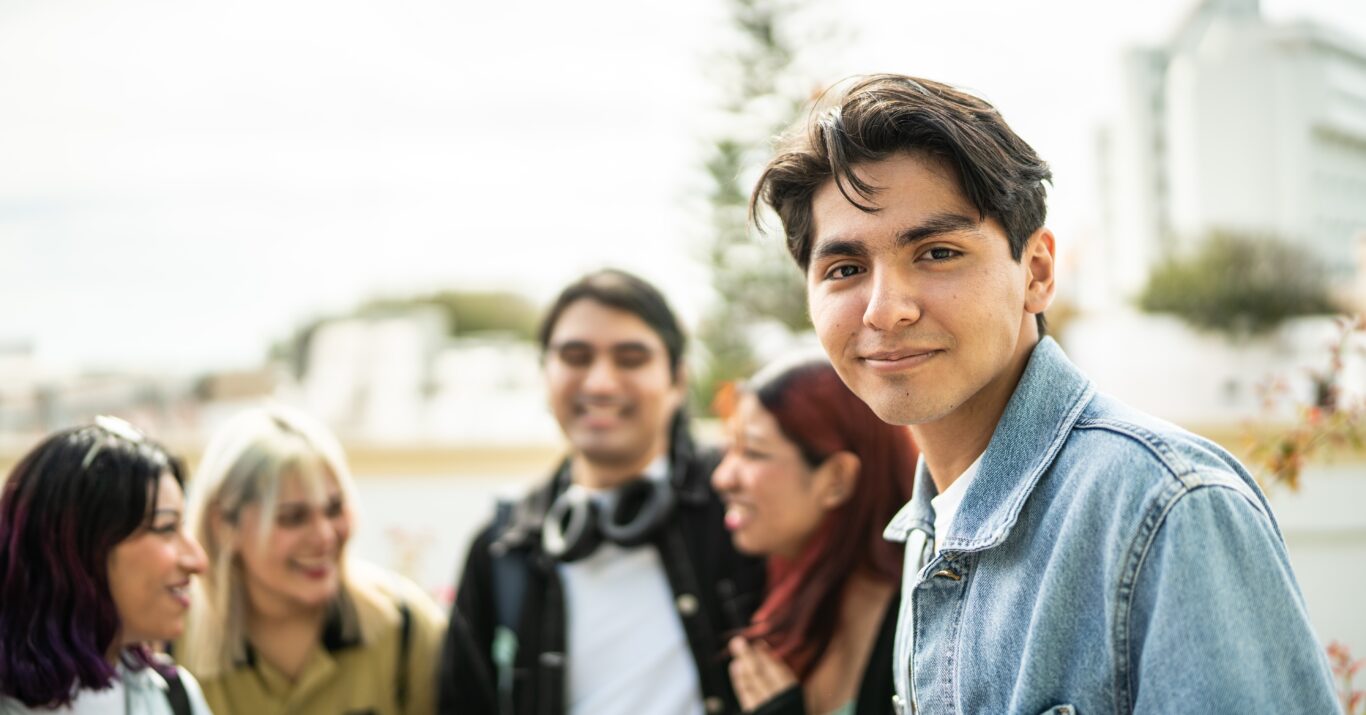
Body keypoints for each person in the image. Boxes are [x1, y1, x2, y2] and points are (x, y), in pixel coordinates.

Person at [750, 73, 1339, 713]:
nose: (885, 310)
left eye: (938, 252)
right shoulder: (926, 528)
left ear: (1036, 273)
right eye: (845, 270)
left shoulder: (1163, 506)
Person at [439, 268, 765, 715]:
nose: (600, 383)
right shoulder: (502, 546)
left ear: (677, 381)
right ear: (545, 375)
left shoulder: (744, 505)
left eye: (631, 358)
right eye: (575, 357)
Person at [177, 405, 446, 714]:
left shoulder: (407, 630)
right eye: (293, 517)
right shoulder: (172, 648)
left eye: (334, 509)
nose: (324, 536)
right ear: (224, 524)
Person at [713, 355, 917, 715]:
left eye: (754, 453)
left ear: (837, 479)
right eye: (728, 449)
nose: (722, 477)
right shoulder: (754, 589)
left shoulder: (923, 624)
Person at [0, 416, 212, 714]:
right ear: (79, 551)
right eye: (166, 528)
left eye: (184, 526)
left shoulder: (175, 696)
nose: (198, 560)